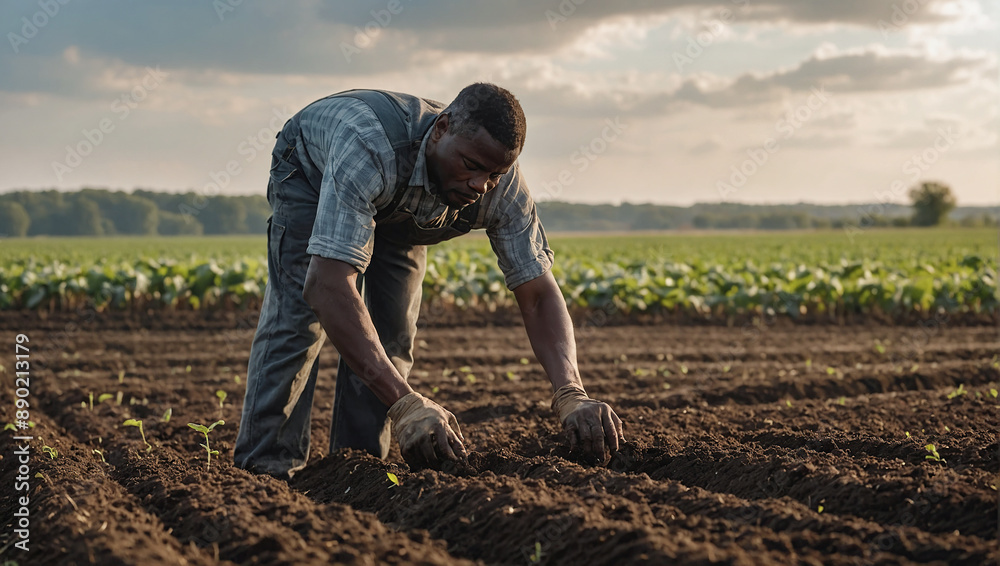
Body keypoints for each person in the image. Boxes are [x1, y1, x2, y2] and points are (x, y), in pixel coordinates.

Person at [233, 83, 625, 480]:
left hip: (406, 203)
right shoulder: (370, 147)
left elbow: (538, 295)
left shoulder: (503, 189)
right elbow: (326, 286)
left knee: (392, 335)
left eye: (494, 174)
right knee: (299, 323)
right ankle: (265, 470)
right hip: (311, 175)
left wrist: (571, 393)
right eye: (471, 165)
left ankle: (356, 469)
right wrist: (407, 403)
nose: (480, 186)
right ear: (440, 130)